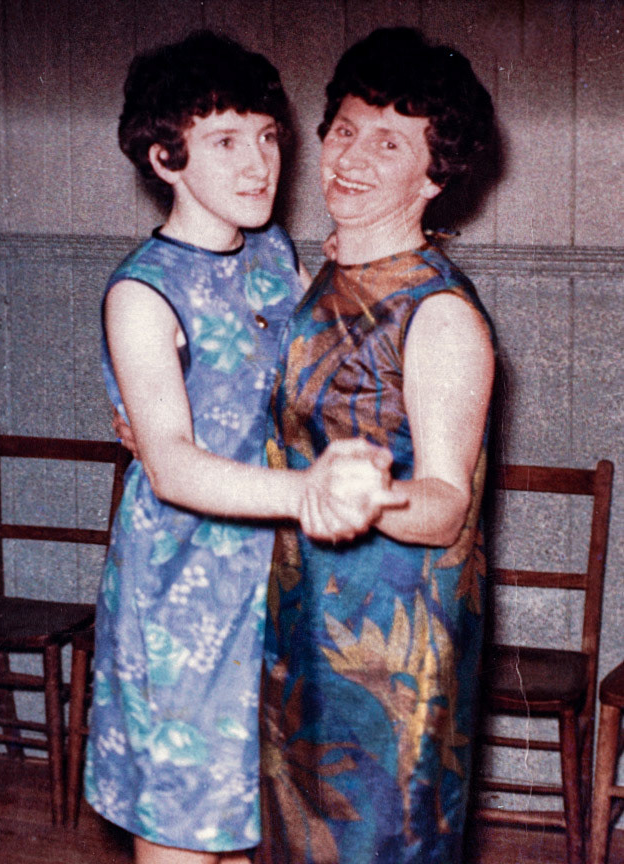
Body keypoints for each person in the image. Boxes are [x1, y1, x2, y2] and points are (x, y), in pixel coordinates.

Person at [85, 31, 407, 864]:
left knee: (256, 832)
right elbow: (171, 461)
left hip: (274, 592)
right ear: (166, 157)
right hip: (182, 600)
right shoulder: (141, 292)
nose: (258, 163)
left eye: (267, 137)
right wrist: (304, 493)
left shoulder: (273, 255)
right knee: (184, 834)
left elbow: (311, 374)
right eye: (225, 141)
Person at [256, 27, 496, 864]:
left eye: (390, 141)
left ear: (434, 175)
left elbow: (444, 504)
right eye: (345, 129)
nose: (350, 157)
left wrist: (367, 496)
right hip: (297, 634)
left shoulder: (439, 315)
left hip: (387, 665)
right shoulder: (317, 281)